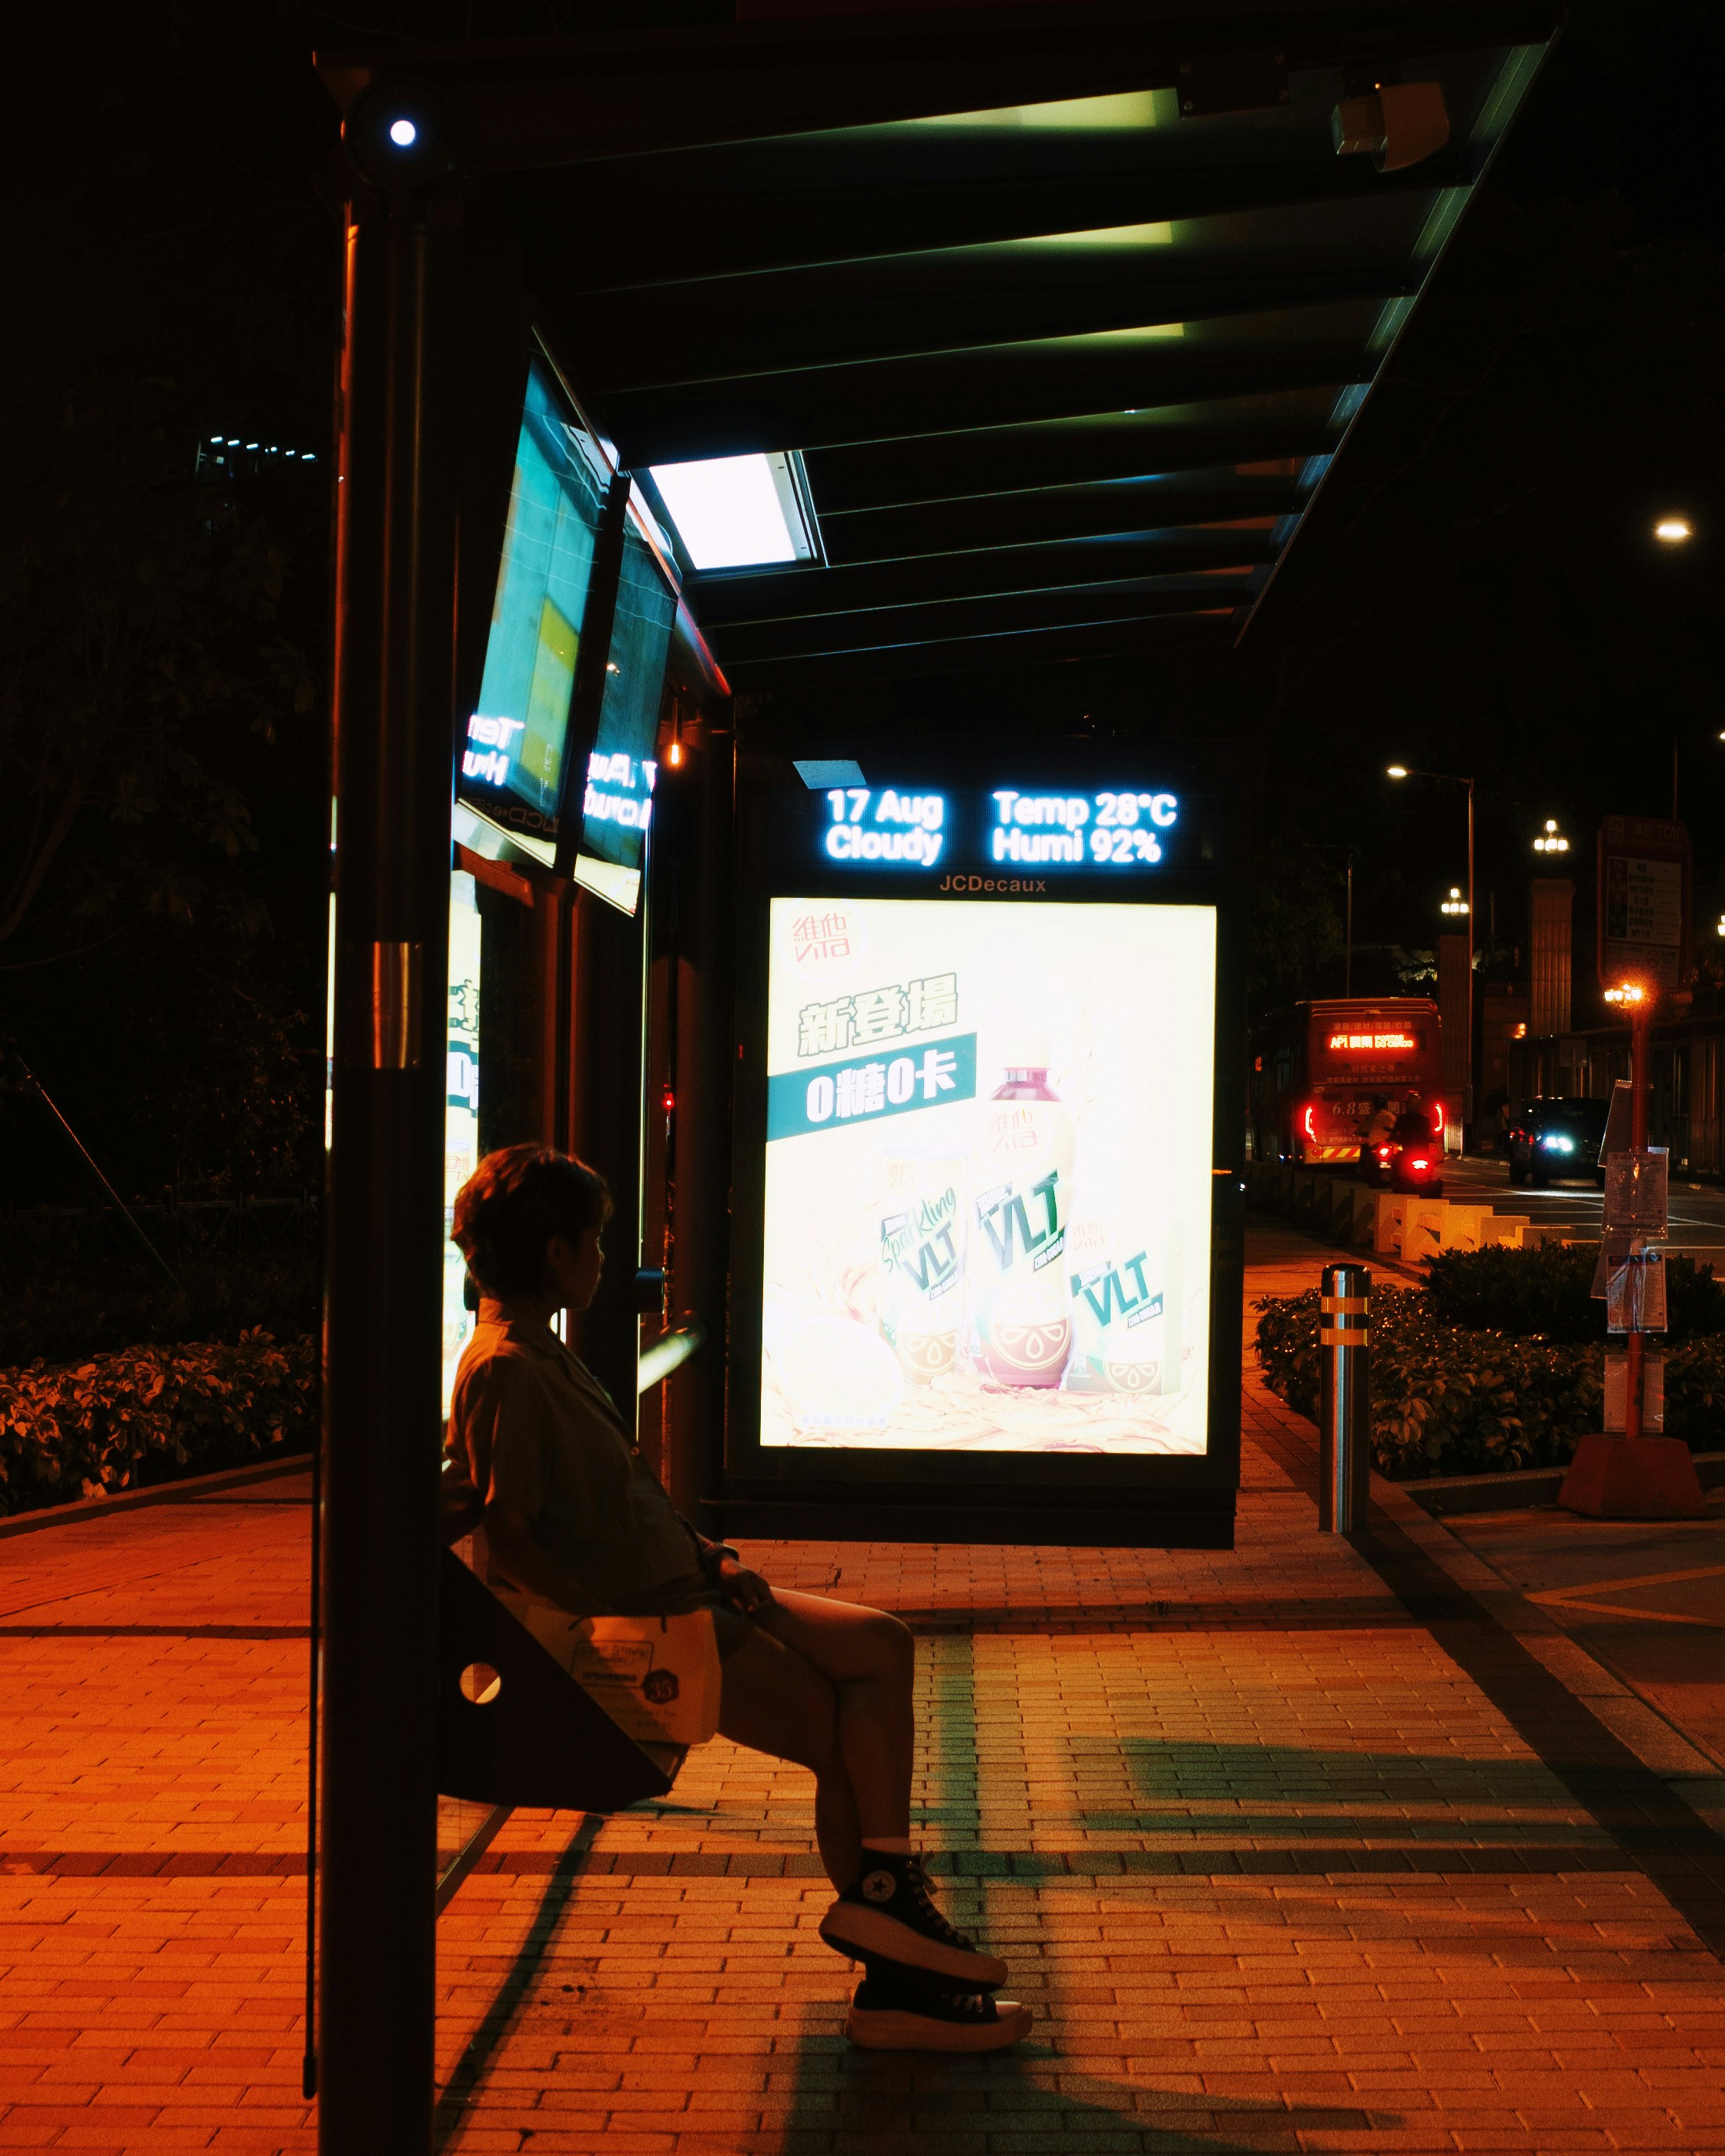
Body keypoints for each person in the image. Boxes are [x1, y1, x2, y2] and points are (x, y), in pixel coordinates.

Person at [444, 1143, 1030, 2054]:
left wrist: (713, 1559)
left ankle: (884, 1901)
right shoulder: (505, 1368)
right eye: (594, 1241)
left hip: (691, 1588)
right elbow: (510, 1534)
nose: (605, 1258)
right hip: (665, 1623)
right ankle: (895, 1975)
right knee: (843, 1737)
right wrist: (619, 1629)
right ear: (554, 1253)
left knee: (881, 1644)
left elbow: (620, 1500)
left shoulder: (539, 1354)